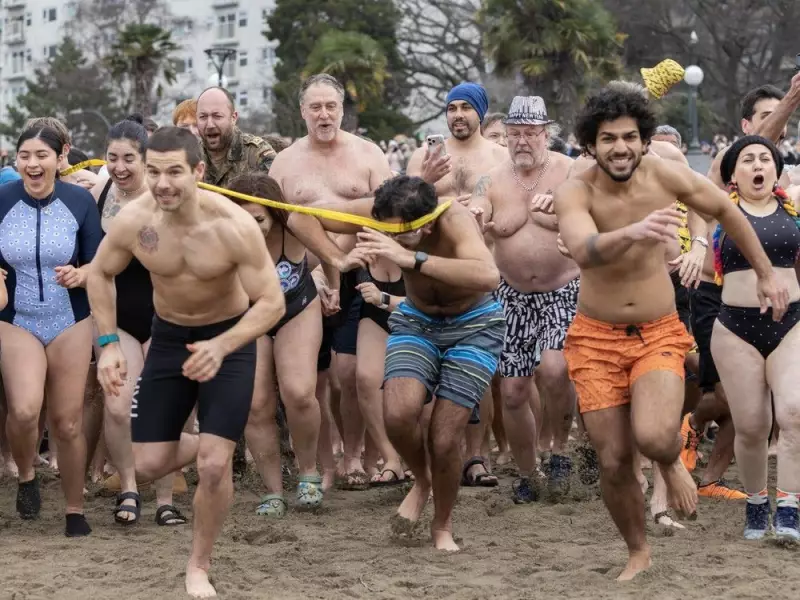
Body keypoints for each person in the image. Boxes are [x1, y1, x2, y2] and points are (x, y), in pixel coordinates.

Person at [556, 85, 788, 580]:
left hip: (658, 330)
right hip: (595, 338)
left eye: (630, 137)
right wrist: (634, 233)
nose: (620, 147)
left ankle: (669, 459)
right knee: (615, 459)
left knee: (656, 434)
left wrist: (766, 273)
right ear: (591, 145)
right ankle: (637, 550)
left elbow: (726, 209)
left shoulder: (664, 173)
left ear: (643, 140)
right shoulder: (577, 188)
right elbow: (582, 248)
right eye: (608, 138)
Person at [88, 126, 285, 598]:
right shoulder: (135, 219)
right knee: (148, 462)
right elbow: (99, 273)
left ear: (198, 170)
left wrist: (223, 345)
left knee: (215, 468)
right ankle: (213, 441)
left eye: (174, 171)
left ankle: (198, 565)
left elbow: (271, 303)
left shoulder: (233, 226)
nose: (163, 183)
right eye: (153, 171)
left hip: (229, 338)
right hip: (172, 337)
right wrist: (110, 343)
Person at [307, 175, 502, 551]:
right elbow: (301, 216)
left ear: (426, 223)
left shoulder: (453, 219)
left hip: (474, 325)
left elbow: (488, 275)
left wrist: (413, 258)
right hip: (418, 320)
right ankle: (423, 480)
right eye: (388, 231)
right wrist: (338, 258)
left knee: (445, 438)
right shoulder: (381, 214)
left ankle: (441, 525)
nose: (393, 240)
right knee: (396, 414)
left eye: (404, 234)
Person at [268, 73, 395, 488]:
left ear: (342, 110)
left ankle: (357, 456)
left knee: (352, 371)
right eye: (315, 107)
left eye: (331, 106)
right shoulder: (285, 162)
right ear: (302, 112)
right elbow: (277, 225)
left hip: (362, 268)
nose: (323, 114)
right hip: (305, 276)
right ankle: (325, 463)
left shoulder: (368, 153)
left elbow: (391, 212)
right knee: (315, 378)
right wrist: (320, 271)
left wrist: (350, 261)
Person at [224, 171, 367, 513]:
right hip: (249, 316)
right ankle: (272, 490)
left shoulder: (295, 225)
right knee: (256, 403)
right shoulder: (223, 234)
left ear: (274, 214)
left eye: (258, 219)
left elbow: (329, 251)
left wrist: (331, 285)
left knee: (299, 393)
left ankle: (308, 473)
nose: (251, 227)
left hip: (297, 308)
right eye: (242, 218)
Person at [469, 96, 576, 502]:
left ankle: (561, 451)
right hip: (511, 293)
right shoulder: (492, 178)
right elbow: (477, 209)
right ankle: (529, 473)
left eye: (530, 133)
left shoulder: (570, 171)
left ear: (545, 133)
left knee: (553, 369)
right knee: (512, 391)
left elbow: (592, 215)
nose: (522, 141)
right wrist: (479, 218)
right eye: (515, 133)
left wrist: (560, 209)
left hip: (562, 287)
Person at [0, 125, 103, 536]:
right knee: (24, 410)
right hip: (16, 318)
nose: (32, 163)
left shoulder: (80, 202)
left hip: (70, 318)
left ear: (62, 157)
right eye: (25, 155)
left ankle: (74, 509)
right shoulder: (2, 200)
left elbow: (100, 261)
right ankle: (27, 476)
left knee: (67, 422)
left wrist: (82, 274)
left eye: (41, 155)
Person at [87, 115, 188, 526]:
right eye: (112, 158)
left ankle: (165, 495)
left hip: (165, 315)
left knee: (163, 407)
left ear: (145, 158)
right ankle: (129, 485)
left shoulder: (166, 197)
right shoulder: (98, 192)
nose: (120, 167)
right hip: (118, 317)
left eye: (129, 158)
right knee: (116, 404)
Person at [406, 82, 507, 486]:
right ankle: (440, 453)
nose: (458, 115)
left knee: (482, 374)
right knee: (434, 372)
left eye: (466, 107)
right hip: (432, 275)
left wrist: (486, 215)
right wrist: (425, 180)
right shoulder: (423, 155)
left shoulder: (499, 157)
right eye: (452, 108)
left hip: (482, 272)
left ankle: (477, 456)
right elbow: (403, 212)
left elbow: (510, 203)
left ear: (480, 114)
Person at [711, 135, 800, 541]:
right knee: (751, 426)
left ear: (777, 171)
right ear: (732, 173)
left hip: (793, 324)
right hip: (735, 329)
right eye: (747, 159)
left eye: (765, 158)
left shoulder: (793, 204)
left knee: (794, 413)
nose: (758, 164)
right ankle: (756, 501)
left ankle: (788, 506)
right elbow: (691, 225)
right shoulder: (718, 209)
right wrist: (696, 247)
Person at [196, 86, 277, 187]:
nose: (210, 125)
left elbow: (274, 195)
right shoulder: (190, 155)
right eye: (203, 117)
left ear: (233, 118)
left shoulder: (256, 154)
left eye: (217, 116)